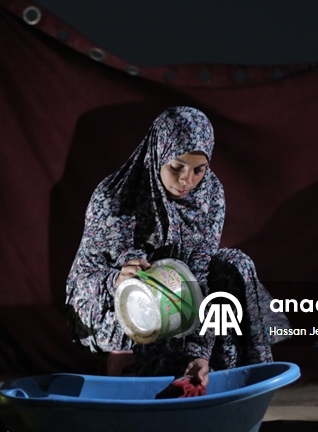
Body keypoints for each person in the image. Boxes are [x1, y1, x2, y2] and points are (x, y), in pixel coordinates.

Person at [65, 106, 290, 387]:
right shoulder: (114, 196)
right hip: (112, 294)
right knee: (160, 297)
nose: (187, 180)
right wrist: (118, 279)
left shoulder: (210, 193)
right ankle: (160, 385)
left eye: (199, 170)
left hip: (177, 286)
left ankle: (242, 382)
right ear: (158, 153)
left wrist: (200, 350)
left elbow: (200, 274)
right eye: (176, 167)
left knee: (236, 265)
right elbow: (112, 275)